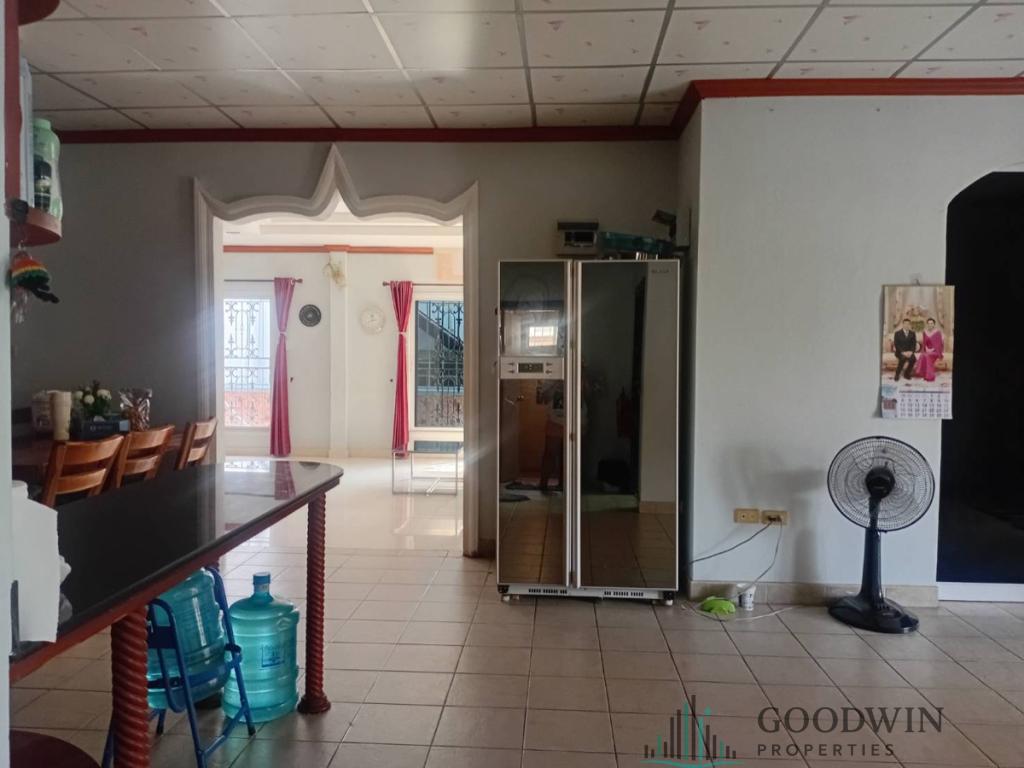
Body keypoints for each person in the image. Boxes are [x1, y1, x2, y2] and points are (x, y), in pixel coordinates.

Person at [913, 317, 945, 382]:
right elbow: (924, 343)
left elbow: (939, 345)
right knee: (922, 355)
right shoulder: (925, 332)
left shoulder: (937, 333)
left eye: (931, 323)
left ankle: (930, 376)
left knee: (927, 356)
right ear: (927, 324)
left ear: (934, 324)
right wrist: (926, 350)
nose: (930, 325)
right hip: (927, 350)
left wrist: (932, 350)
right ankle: (922, 373)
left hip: (935, 351)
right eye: (929, 323)